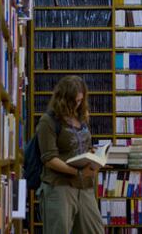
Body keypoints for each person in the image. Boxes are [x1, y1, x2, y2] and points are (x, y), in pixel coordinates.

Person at [36, 75, 104, 234]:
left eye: (80, 101)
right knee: (59, 230)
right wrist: (78, 172)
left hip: (85, 186)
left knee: (95, 230)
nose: (77, 105)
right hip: (60, 186)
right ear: (62, 99)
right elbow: (49, 159)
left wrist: (94, 156)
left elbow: (85, 146)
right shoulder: (48, 121)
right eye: (74, 101)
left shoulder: (81, 118)